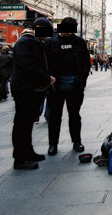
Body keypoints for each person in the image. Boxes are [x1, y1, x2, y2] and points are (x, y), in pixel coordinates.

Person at [10, 18, 56, 170]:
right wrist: (45, 77)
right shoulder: (24, 43)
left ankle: (28, 152)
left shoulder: (36, 42)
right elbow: (29, 66)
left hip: (32, 89)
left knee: (28, 123)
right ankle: (20, 158)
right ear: (37, 27)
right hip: (24, 89)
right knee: (22, 123)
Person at [45, 17, 91, 156]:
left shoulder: (79, 42)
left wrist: (82, 81)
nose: (69, 34)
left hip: (75, 85)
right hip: (56, 86)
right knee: (54, 116)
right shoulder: (51, 42)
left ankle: (77, 141)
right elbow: (45, 62)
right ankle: (53, 144)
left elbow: (85, 63)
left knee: (75, 115)